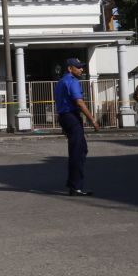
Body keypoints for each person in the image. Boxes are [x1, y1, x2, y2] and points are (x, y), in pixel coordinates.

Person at [55, 58, 100, 195]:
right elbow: (79, 102)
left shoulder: (61, 82)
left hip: (65, 117)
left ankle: (74, 184)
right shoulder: (72, 81)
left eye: (81, 67)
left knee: (80, 150)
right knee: (77, 151)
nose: (81, 69)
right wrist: (92, 120)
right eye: (78, 67)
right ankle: (76, 187)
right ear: (70, 68)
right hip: (71, 116)